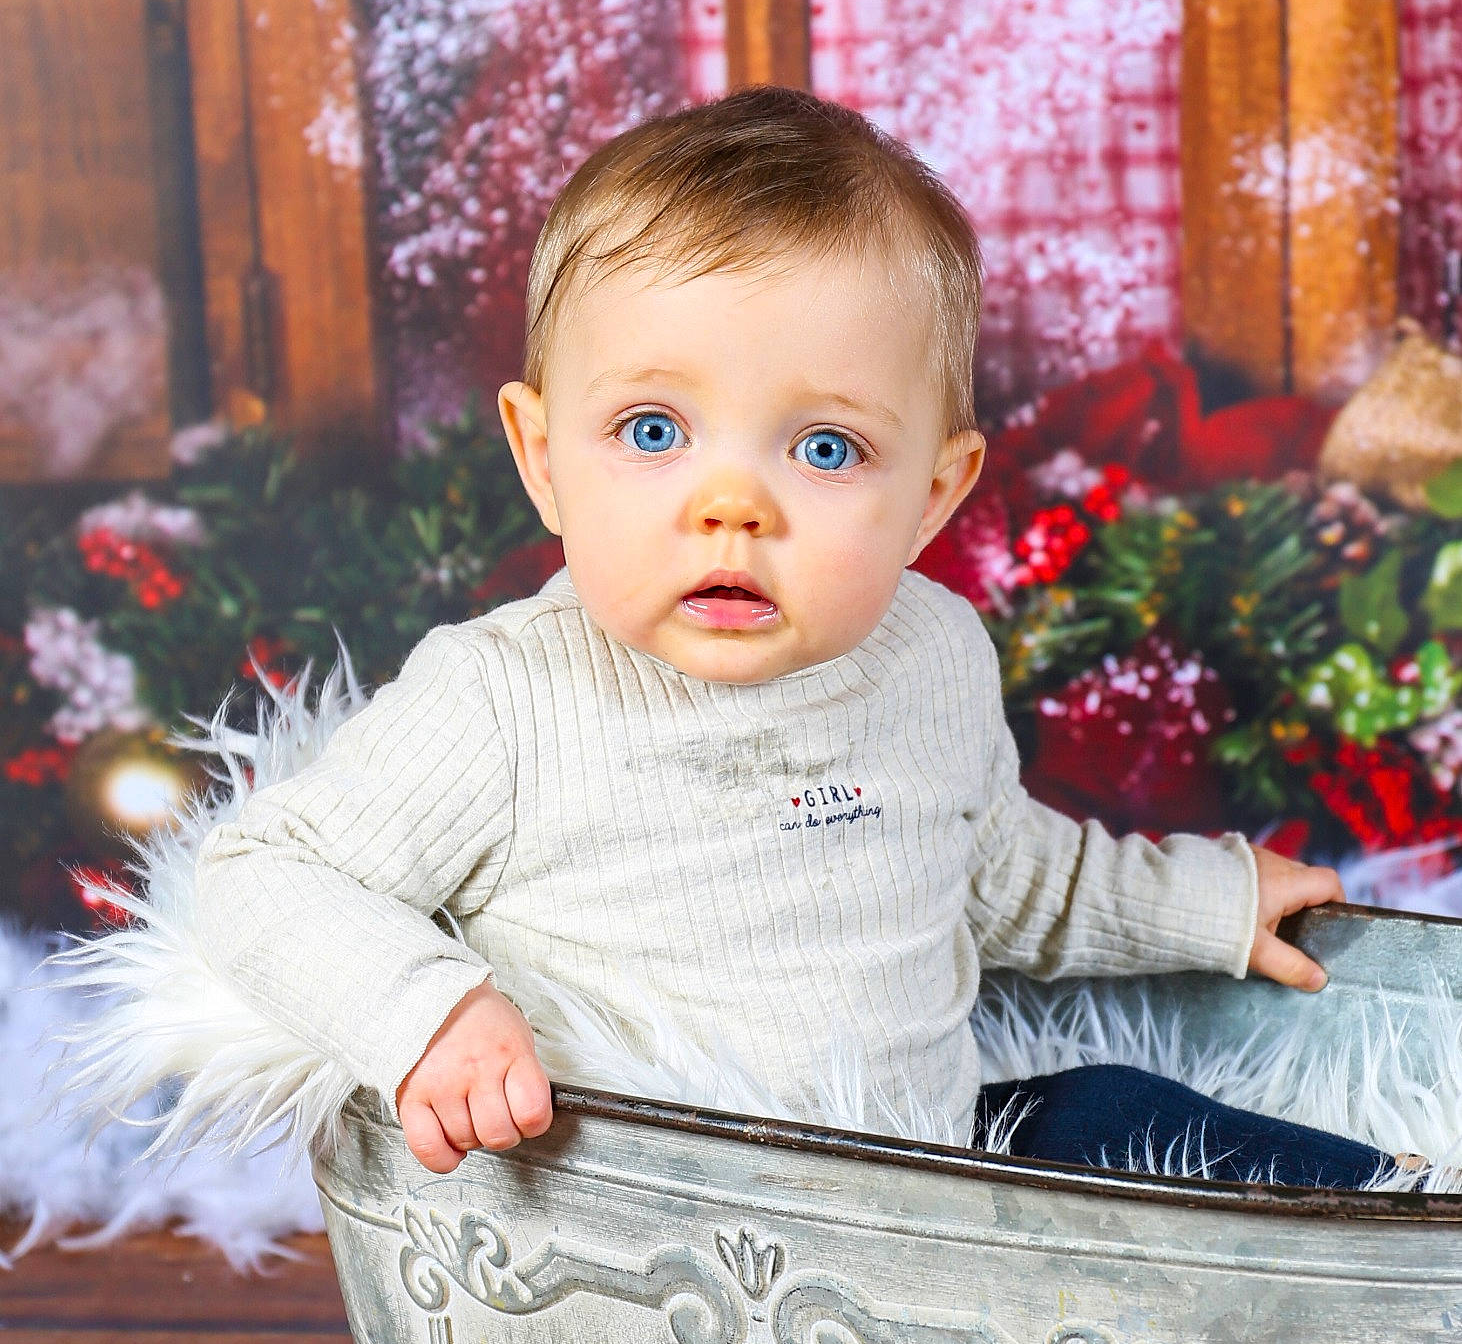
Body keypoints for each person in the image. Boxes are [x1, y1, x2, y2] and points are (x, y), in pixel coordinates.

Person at [193, 86, 1379, 1190]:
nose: (733, 505)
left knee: (1130, 1117)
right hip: (660, 1224)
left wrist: (1206, 906)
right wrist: (429, 1013)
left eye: (824, 448)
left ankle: (1404, 1242)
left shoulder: (929, 651)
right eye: (652, 429)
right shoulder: (507, 699)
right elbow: (262, 877)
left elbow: (1000, 874)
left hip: (934, 1170)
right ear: (542, 457)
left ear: (932, 492)